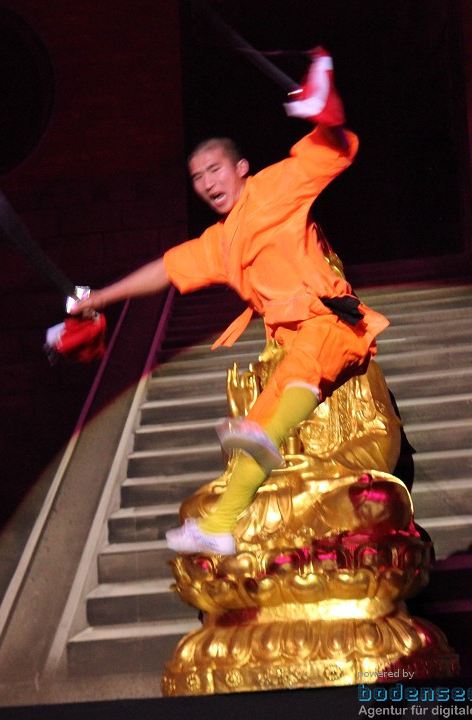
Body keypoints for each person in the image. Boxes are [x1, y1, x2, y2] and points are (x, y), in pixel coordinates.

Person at [70, 50, 388, 555]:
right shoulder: (221, 241)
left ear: (240, 168)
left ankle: (263, 438)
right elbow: (167, 268)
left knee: (278, 403)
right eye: (197, 179)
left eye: (214, 170)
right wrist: (98, 298)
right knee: (253, 438)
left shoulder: (274, 187)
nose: (207, 184)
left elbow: (335, 148)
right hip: (291, 342)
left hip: (330, 321)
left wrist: (324, 107)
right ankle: (220, 525)